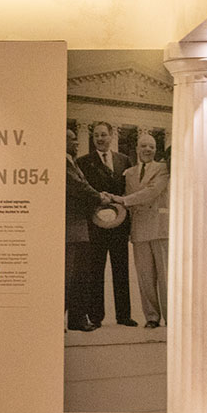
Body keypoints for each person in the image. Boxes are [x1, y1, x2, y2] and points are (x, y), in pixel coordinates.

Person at [76, 122, 137, 328]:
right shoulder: (83, 162)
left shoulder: (124, 161)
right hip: (96, 225)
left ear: (111, 136)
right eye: (96, 136)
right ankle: (96, 316)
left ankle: (124, 315)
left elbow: (129, 193)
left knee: (121, 270)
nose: (100, 139)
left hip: (119, 224)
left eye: (103, 135)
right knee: (96, 271)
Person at [107, 133, 169, 328]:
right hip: (139, 229)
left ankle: (171, 317)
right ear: (137, 149)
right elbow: (126, 194)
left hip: (160, 227)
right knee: (145, 277)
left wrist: (124, 200)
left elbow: (152, 191)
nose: (147, 150)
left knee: (165, 276)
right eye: (143, 146)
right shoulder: (130, 173)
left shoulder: (163, 169)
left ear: (155, 150)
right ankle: (152, 317)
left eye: (151, 146)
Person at [65, 128, 104, 332]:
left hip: (80, 227)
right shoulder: (62, 161)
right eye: (72, 140)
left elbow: (83, 184)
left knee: (80, 275)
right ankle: (69, 319)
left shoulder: (72, 161)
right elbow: (78, 186)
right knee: (70, 275)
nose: (76, 144)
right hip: (71, 227)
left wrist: (98, 194)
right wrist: (100, 197)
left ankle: (77, 319)